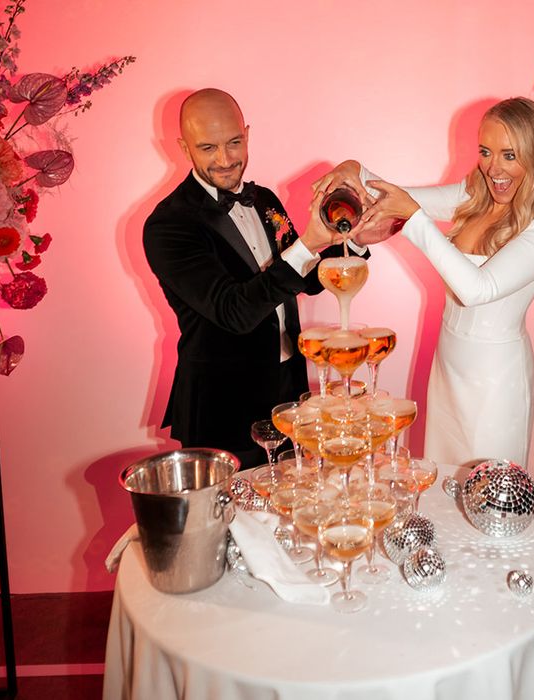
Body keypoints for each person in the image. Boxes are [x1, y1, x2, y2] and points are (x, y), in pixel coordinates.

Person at [315, 97, 534, 469]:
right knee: (440, 483)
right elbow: (395, 198)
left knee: (487, 495)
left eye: (509, 155)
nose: (493, 168)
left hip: (496, 381)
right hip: (448, 365)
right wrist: (354, 170)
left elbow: (476, 290)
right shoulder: (476, 197)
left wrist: (413, 220)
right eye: (486, 152)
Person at [143, 88, 369, 468]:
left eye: (234, 143)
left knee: (291, 505)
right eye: (208, 148)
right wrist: (309, 242)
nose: (226, 159)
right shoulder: (168, 224)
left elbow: (307, 279)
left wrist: (354, 239)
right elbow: (235, 312)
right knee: (233, 521)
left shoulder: (263, 200)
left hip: (287, 387)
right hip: (222, 404)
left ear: (247, 133)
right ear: (184, 148)